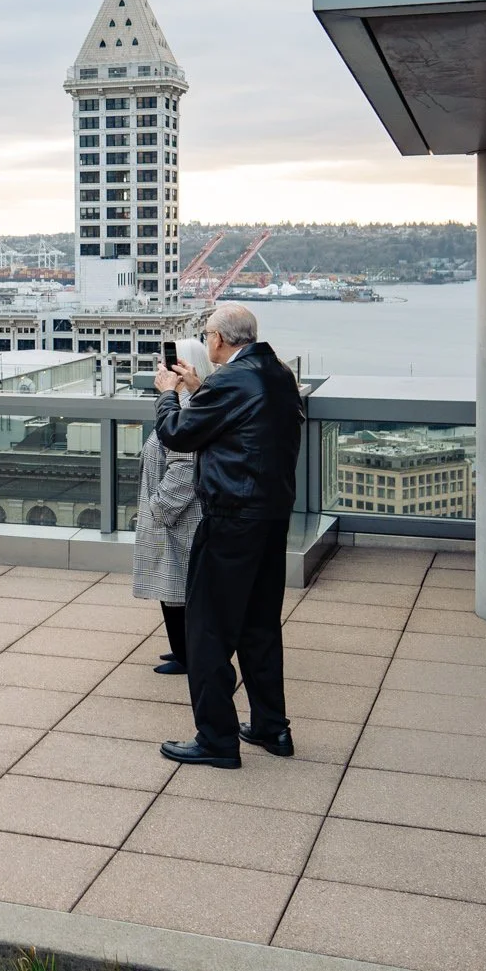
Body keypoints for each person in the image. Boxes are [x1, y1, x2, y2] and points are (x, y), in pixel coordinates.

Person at [150, 303, 304, 769]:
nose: (205, 340)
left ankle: (216, 739)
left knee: (208, 630)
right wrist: (201, 388)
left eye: (206, 334)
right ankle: (272, 727)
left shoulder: (232, 381)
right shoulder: (277, 372)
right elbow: (244, 421)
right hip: (270, 517)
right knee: (260, 627)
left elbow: (177, 434)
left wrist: (168, 394)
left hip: (231, 518)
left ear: (217, 339)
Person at [131, 337, 210, 677]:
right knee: (174, 587)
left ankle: (188, 656)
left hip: (179, 516)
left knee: (177, 588)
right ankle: (183, 651)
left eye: (168, 363)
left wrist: (159, 507)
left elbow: (183, 466)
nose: (161, 369)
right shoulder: (188, 401)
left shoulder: (187, 407)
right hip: (176, 514)